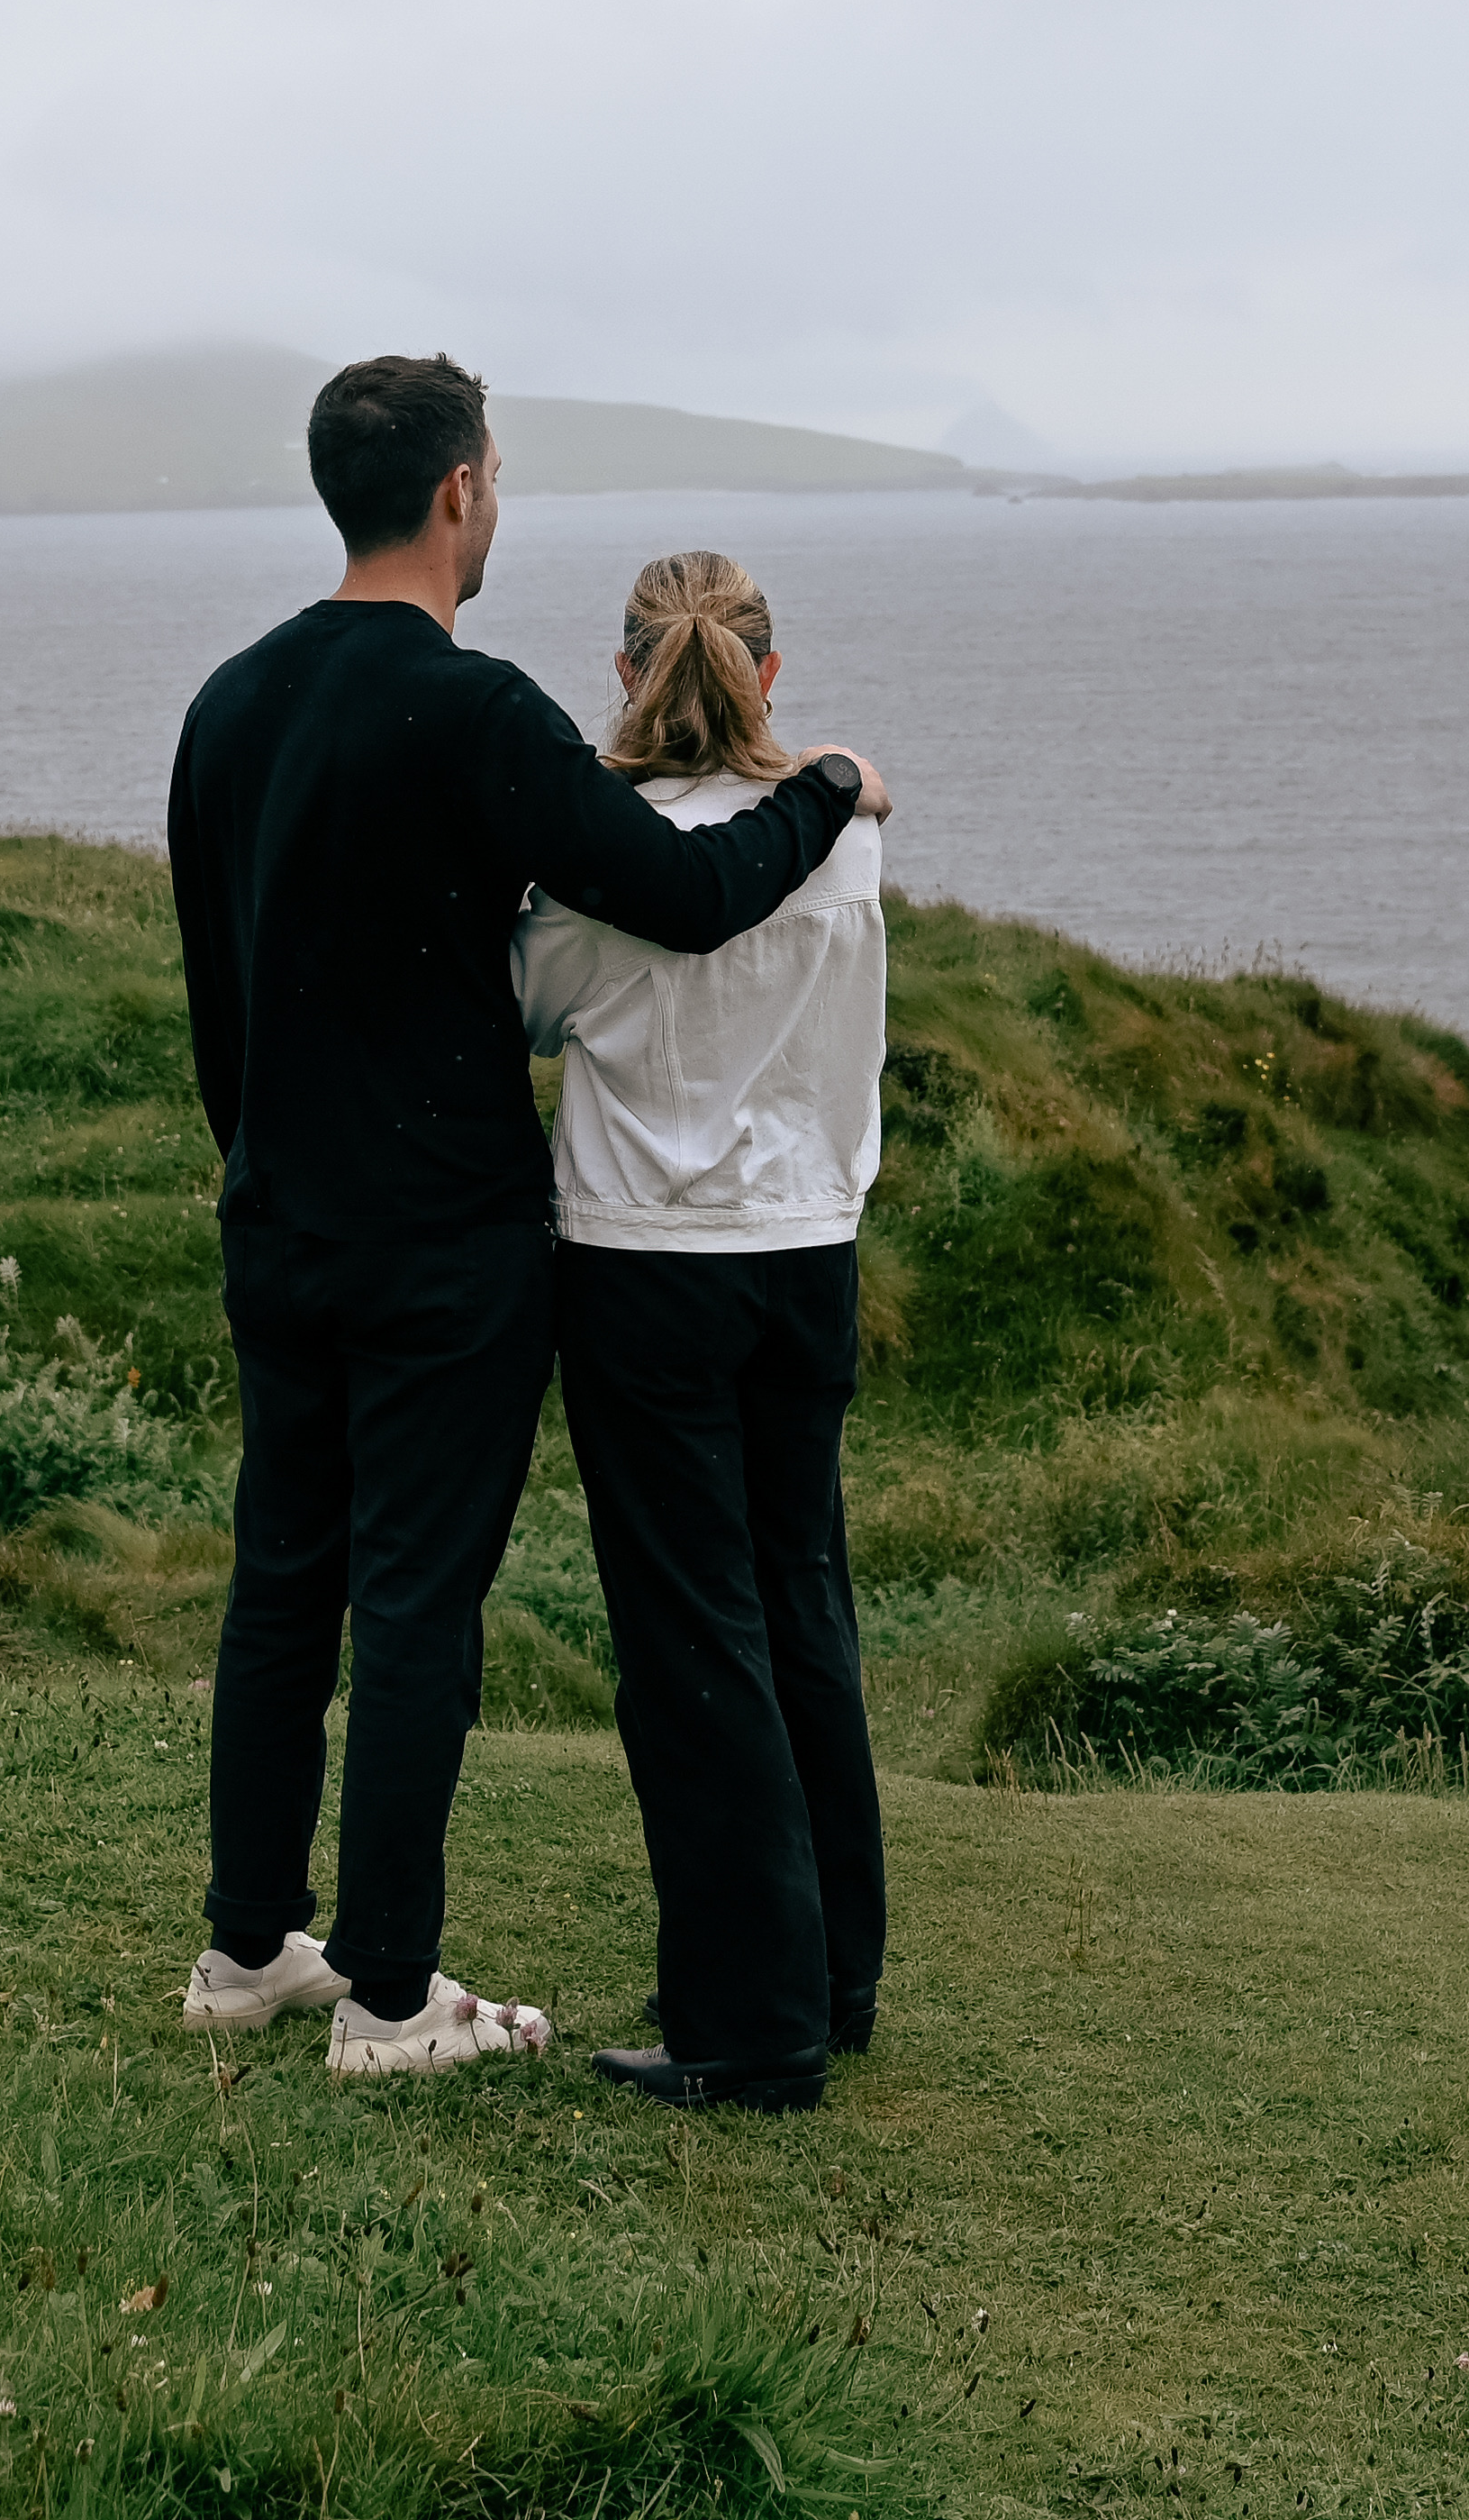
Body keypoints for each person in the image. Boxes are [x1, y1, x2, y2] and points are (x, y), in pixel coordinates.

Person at [163, 357, 890, 2076]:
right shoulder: (477, 711)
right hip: (448, 1242)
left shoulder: (227, 704)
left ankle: (250, 1948)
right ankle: (397, 2002)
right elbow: (690, 891)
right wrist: (827, 789)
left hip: (280, 1219)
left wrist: (265, 1164)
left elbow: (221, 992)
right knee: (418, 1602)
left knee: (281, 1586)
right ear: (462, 495)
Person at [515, 550, 893, 2112]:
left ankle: (746, 2021)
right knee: (801, 1603)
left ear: (623, 674)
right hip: (808, 1254)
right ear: (768, 678)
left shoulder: (596, 871)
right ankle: (829, 1973)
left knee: (692, 1635)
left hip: (646, 1263)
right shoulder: (844, 852)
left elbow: (523, 1009)